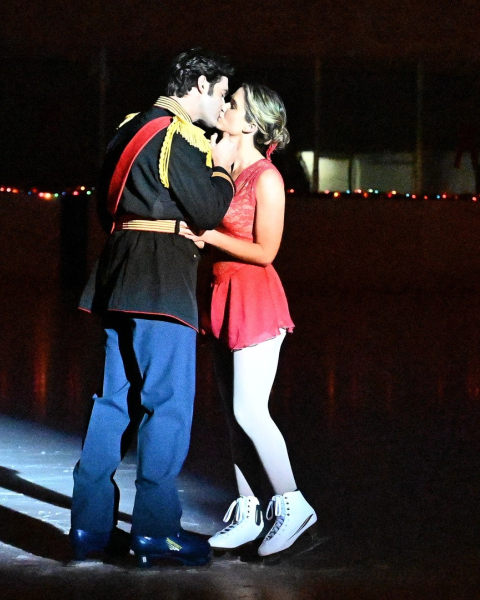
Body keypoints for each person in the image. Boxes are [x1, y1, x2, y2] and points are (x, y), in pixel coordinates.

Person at [70, 48, 237, 567]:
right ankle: (156, 532)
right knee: (168, 406)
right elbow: (208, 209)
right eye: (222, 92)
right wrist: (223, 168)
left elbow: (104, 204)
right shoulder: (177, 134)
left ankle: (89, 528)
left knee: (111, 405)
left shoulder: (129, 126)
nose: (224, 104)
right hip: (160, 280)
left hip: (119, 273)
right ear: (200, 84)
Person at [179, 83, 317, 557]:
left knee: (249, 411)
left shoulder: (267, 178)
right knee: (232, 416)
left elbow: (266, 251)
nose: (224, 107)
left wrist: (209, 236)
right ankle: (249, 509)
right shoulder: (223, 166)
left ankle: (293, 504)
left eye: (233, 104)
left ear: (252, 123)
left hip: (254, 298)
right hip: (220, 294)